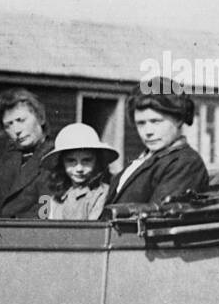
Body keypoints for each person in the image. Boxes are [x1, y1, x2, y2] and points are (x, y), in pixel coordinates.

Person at [103, 78, 210, 208]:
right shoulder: (144, 160)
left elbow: (159, 216)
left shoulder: (185, 163)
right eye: (141, 123)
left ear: (178, 120)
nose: (148, 131)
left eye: (156, 121)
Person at [0, 88, 55, 218]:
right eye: (8, 125)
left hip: (29, 233)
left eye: (21, 120)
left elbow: (46, 213)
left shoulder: (55, 156)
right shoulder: (11, 156)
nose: (16, 130)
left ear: (40, 118)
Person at [40, 123, 118, 220]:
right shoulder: (57, 195)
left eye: (86, 160)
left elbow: (92, 230)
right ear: (62, 163)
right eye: (71, 161)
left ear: (97, 161)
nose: (79, 169)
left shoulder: (101, 193)